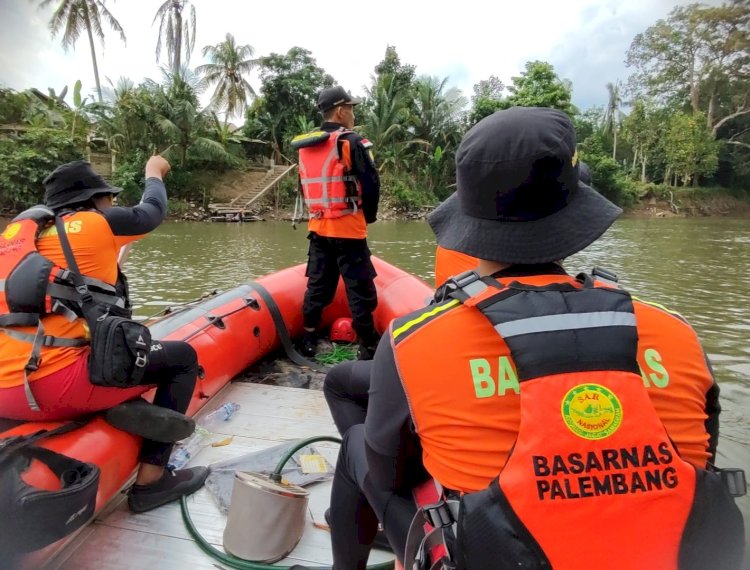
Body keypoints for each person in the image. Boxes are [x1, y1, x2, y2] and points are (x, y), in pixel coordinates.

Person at [327, 107, 744, 569]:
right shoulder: (676, 332)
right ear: (575, 212)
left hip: (496, 554)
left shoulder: (414, 340)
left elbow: (387, 474)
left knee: (358, 446)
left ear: (468, 219)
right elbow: (699, 466)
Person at [0, 157, 208, 513]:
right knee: (182, 360)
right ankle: (152, 481)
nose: (112, 203)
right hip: (52, 385)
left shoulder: (18, 240)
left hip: (5, 391)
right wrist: (153, 172)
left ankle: (119, 406)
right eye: (108, 197)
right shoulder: (98, 223)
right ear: (94, 200)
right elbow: (152, 210)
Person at [291, 85, 381, 360]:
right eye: (351, 109)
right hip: (349, 231)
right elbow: (371, 184)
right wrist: (369, 217)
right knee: (360, 290)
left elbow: (305, 186)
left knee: (317, 286)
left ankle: (307, 337)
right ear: (341, 111)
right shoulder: (351, 142)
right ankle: (368, 346)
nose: (353, 114)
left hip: (318, 229)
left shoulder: (307, 147)